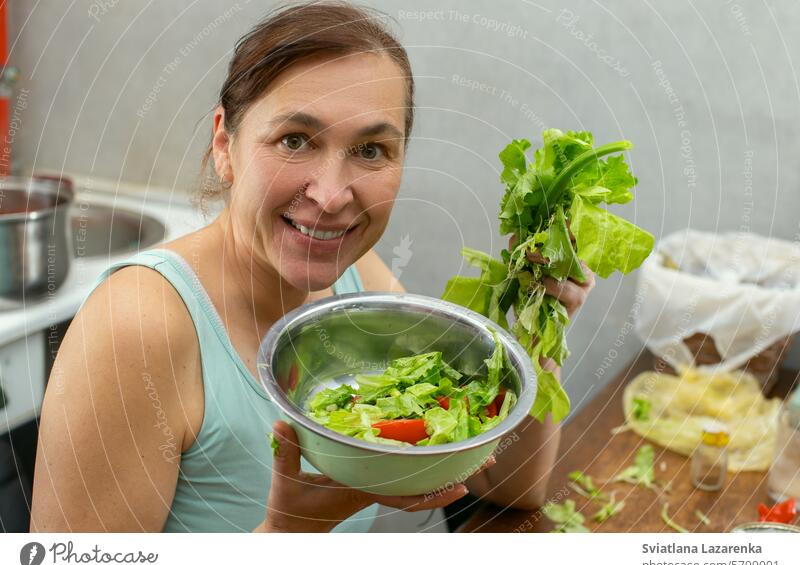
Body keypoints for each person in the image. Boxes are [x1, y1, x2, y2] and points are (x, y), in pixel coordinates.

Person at [30, 1, 594, 533]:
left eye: (371, 150)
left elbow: (510, 484)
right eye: (295, 140)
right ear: (225, 143)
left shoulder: (354, 280)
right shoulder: (135, 327)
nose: (330, 196)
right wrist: (286, 534)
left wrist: (541, 323)